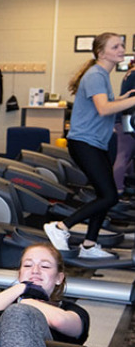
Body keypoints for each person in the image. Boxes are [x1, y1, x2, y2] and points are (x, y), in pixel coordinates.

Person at [43, 33, 135, 258]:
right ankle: (61, 227)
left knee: (106, 194)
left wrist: (124, 98)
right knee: (109, 196)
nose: (121, 49)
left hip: (95, 143)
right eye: (115, 46)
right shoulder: (96, 75)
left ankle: (89, 245)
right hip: (85, 143)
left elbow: (103, 108)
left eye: (122, 45)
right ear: (101, 53)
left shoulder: (102, 74)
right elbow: (103, 108)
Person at [112, 61, 135, 193]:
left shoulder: (130, 73)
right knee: (124, 155)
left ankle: (124, 180)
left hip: (126, 118)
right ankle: (117, 188)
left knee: (127, 154)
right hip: (127, 119)